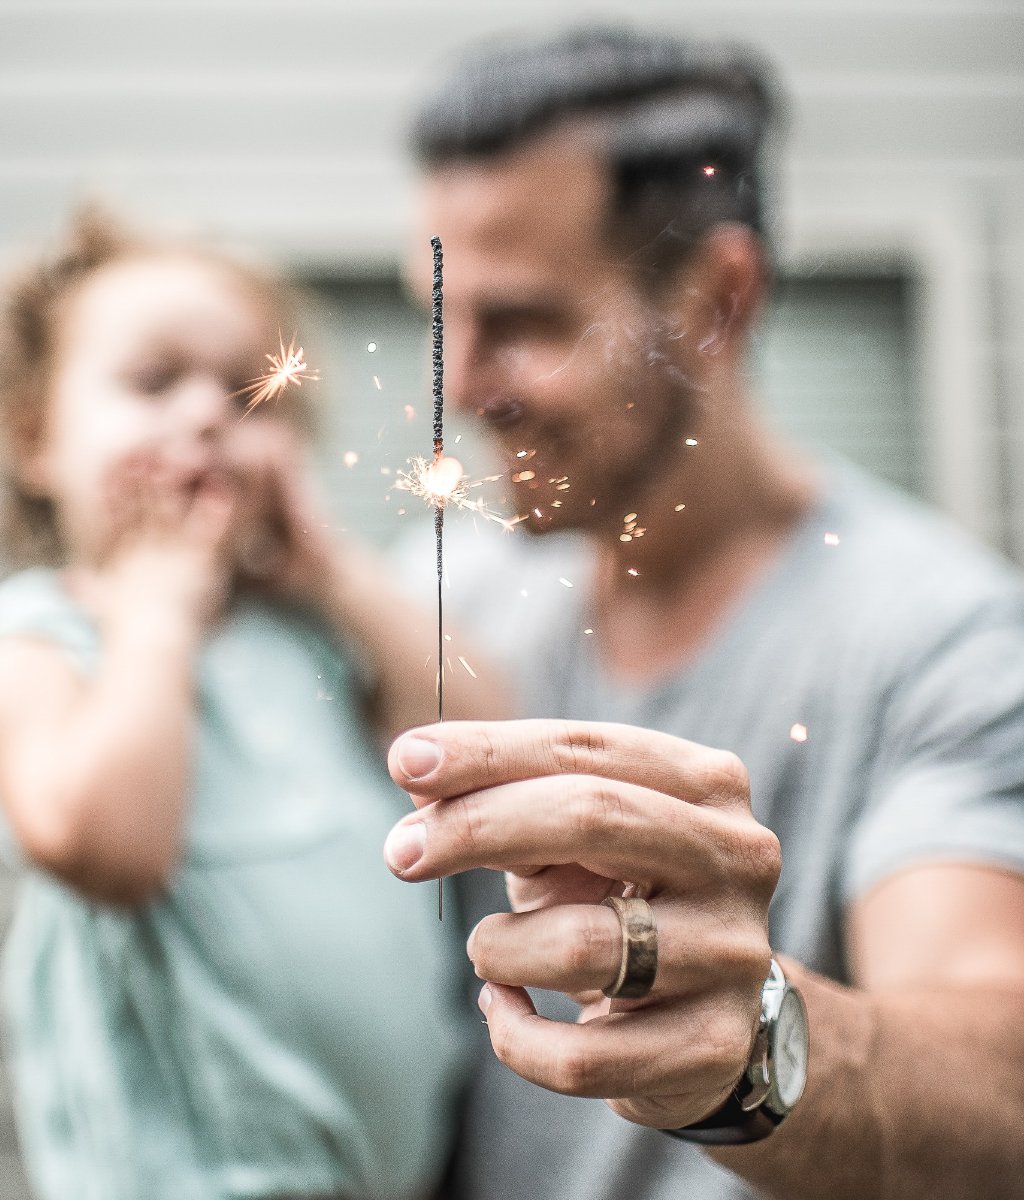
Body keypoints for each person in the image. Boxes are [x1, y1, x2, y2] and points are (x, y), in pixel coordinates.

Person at [382, 25, 1024, 1200]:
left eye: (523, 322)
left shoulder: (941, 640)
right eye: (444, 318)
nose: (462, 387)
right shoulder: (460, 589)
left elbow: (1001, 1093)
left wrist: (755, 1044)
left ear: (717, 302)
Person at [0, 206, 494, 1200]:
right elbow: (107, 848)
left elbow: (482, 728)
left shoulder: (300, 631)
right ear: (34, 437)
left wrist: (331, 571)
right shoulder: (33, 645)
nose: (209, 416)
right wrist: (156, 617)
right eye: (152, 382)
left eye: (248, 394)